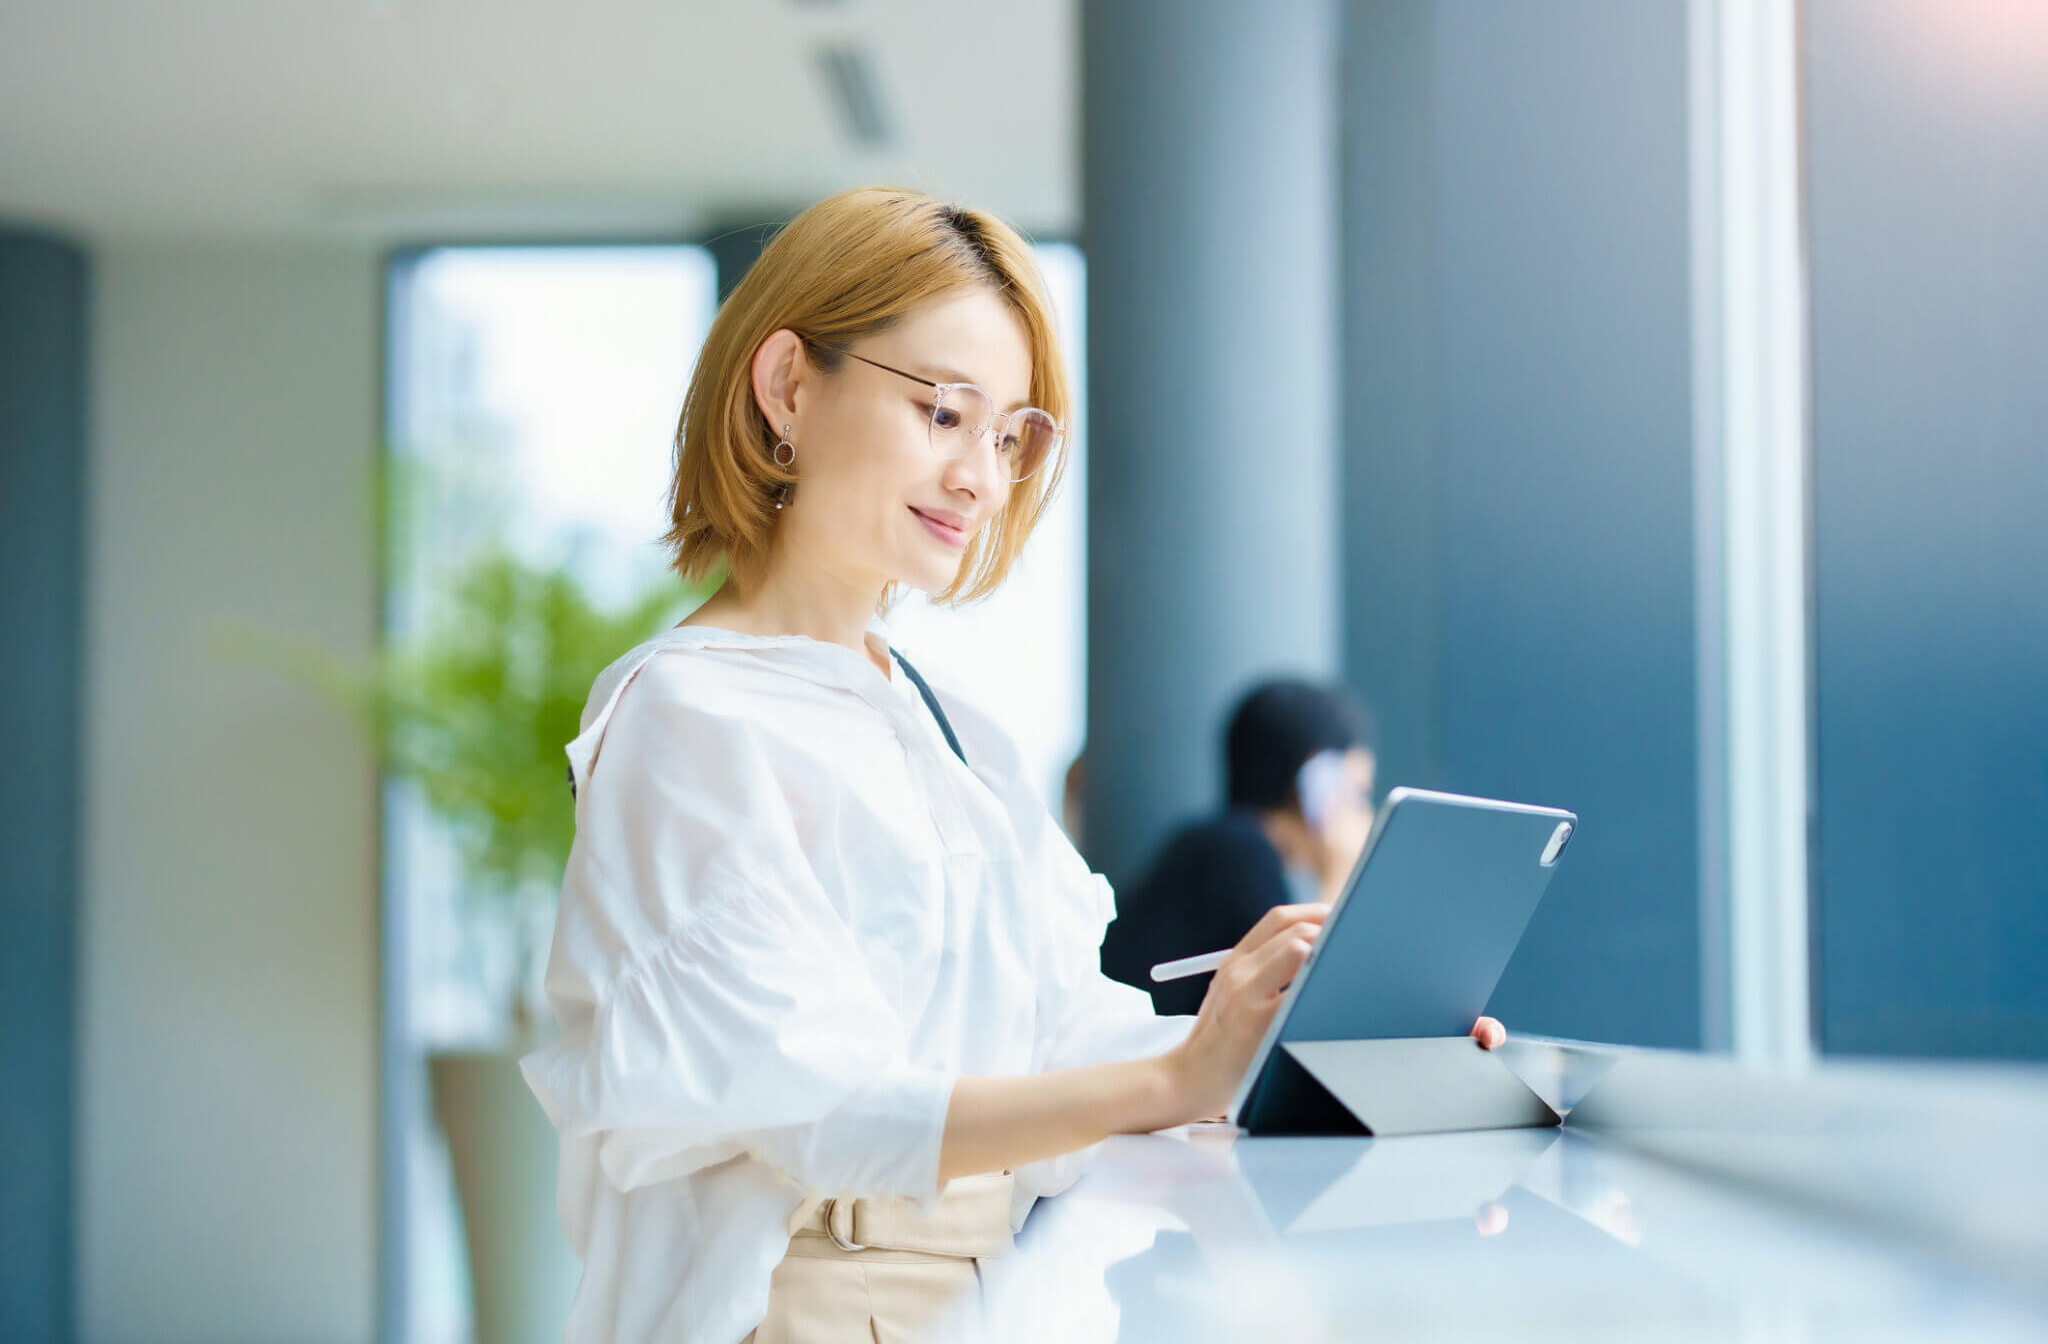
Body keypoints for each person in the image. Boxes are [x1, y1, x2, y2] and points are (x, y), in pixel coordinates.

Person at [519, 186, 1505, 1344]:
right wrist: (1174, 1077)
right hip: (806, 1306)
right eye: (944, 413)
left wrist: (1292, 1045)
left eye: (1007, 436)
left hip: (987, 1297)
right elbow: (821, 1109)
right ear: (788, 386)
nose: (981, 480)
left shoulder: (951, 732)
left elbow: (1064, 1041)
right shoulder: (684, 719)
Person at [1100, 680, 1380, 1015]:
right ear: (1314, 782)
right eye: (1357, 792)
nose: (1365, 813)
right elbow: (1303, 1014)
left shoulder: (1216, 844)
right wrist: (1340, 874)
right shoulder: (1240, 853)